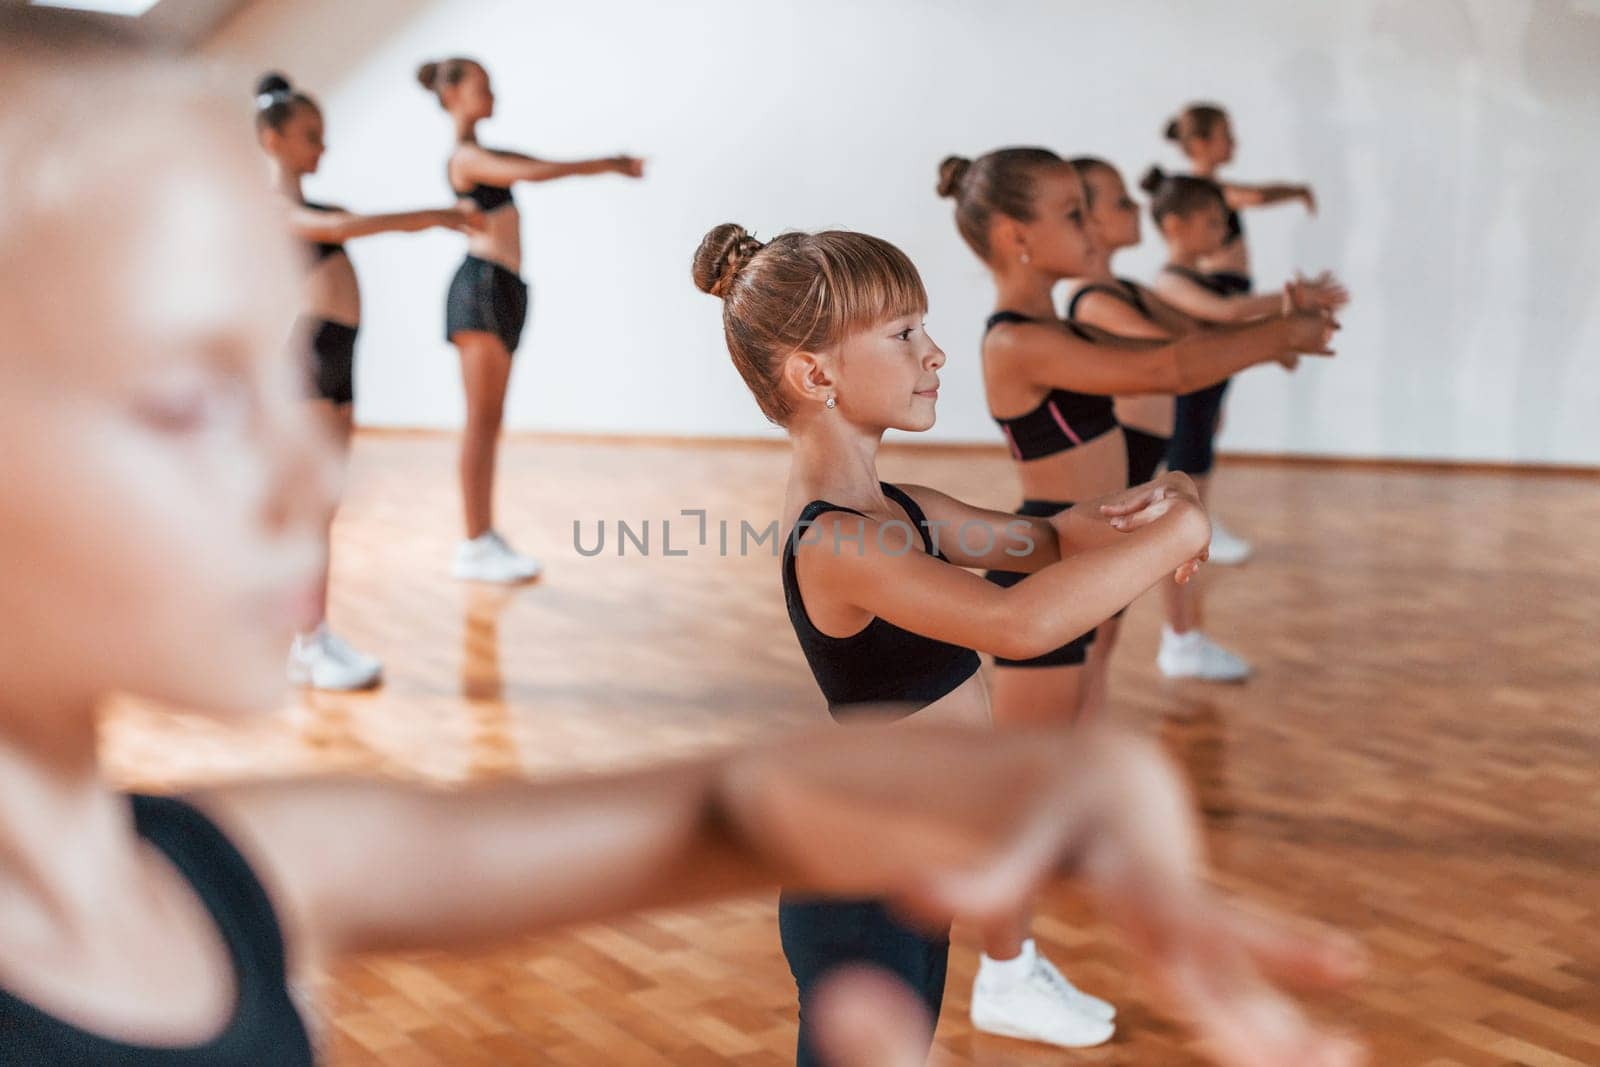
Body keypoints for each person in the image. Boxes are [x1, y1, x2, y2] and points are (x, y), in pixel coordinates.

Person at [417, 56, 645, 583]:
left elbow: (536, 162)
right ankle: (474, 543)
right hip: (480, 289)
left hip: (502, 288)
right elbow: (539, 171)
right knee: (480, 421)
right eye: (482, 87)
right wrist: (607, 162)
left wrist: (606, 164)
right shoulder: (466, 157)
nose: (492, 94)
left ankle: (483, 536)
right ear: (452, 94)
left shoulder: (484, 152)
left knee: (490, 421)